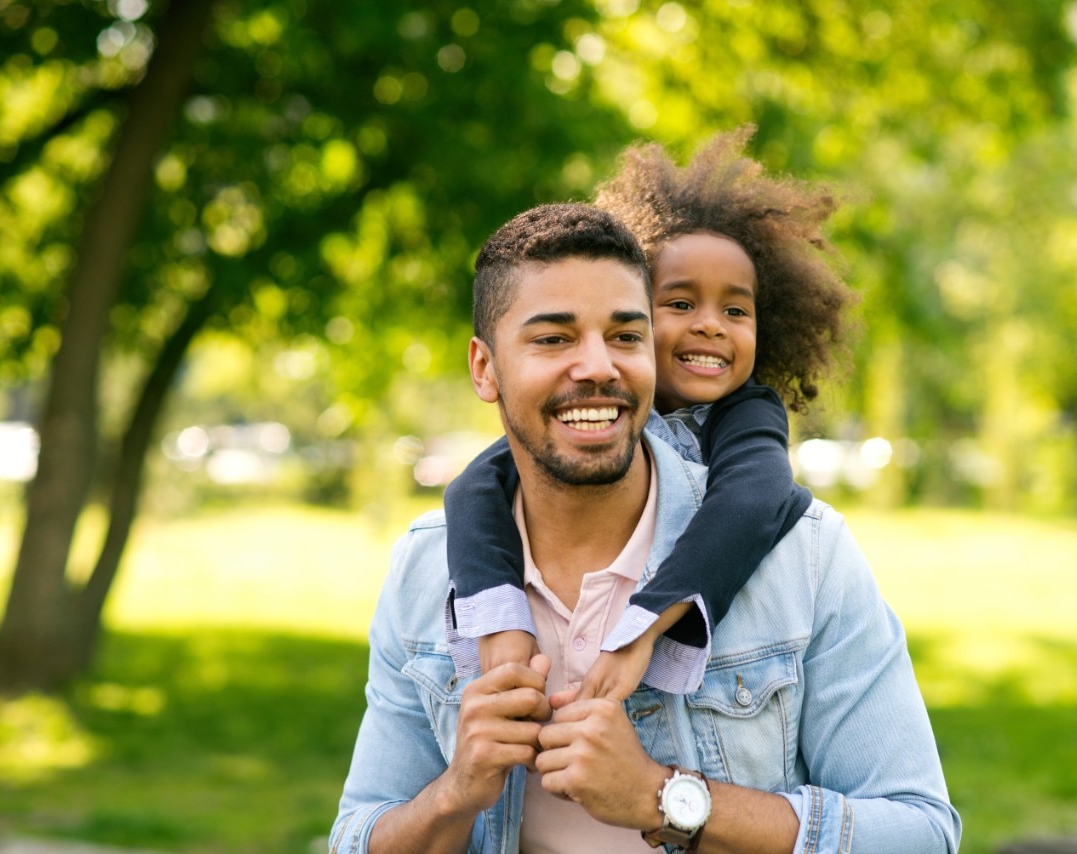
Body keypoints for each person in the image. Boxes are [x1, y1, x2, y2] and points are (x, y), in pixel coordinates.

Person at [330, 202, 961, 852]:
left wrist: (667, 799)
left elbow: (921, 834)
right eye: (554, 338)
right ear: (484, 368)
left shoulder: (805, 557)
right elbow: (356, 835)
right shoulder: (425, 572)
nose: (599, 365)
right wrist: (455, 793)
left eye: (626, 336)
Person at [443, 127, 854, 701]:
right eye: (681, 304)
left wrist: (649, 623)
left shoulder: (746, 414)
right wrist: (499, 619)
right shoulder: (595, 408)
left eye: (736, 309)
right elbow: (475, 488)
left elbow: (752, 501)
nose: (711, 324)